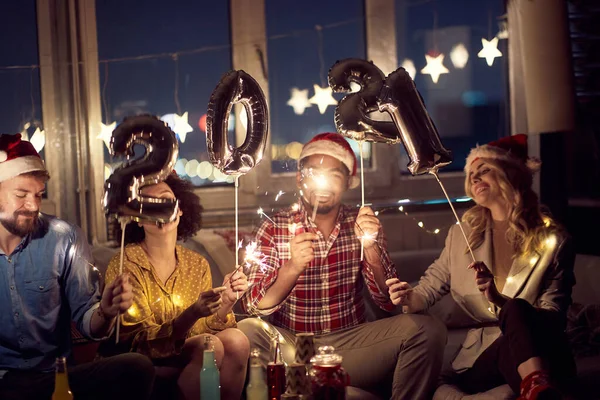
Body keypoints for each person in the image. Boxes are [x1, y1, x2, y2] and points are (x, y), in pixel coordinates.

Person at [239, 132, 447, 400]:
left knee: (428, 329)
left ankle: (322, 388)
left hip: (351, 343)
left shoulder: (362, 222)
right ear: (299, 178)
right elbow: (254, 305)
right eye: (313, 172)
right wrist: (292, 267)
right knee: (247, 330)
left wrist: (370, 246)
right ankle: (334, 389)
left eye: (334, 174)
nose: (322, 183)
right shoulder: (275, 225)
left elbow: (387, 302)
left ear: (349, 181)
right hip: (295, 344)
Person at [387, 134, 577, 399]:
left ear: (512, 175)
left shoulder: (553, 241)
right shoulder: (462, 235)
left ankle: (534, 385)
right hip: (482, 359)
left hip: (539, 348)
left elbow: (552, 317)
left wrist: (501, 301)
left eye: (484, 170)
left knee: (517, 309)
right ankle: (537, 387)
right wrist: (409, 296)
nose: (474, 178)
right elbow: (429, 288)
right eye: (471, 174)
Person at [0, 133, 155, 400]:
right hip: (3, 383)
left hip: (57, 377)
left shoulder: (64, 237)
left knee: (135, 367)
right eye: (21, 194)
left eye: (38, 195)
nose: (33, 205)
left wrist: (105, 312)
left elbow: (88, 320)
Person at [99, 172, 250, 400]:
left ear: (180, 209)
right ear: (137, 217)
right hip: (140, 361)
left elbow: (202, 330)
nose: (160, 210)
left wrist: (225, 304)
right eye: (149, 204)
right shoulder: (125, 263)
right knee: (210, 347)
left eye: (166, 201)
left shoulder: (197, 263)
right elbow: (138, 342)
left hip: (189, 352)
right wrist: (190, 314)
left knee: (237, 342)